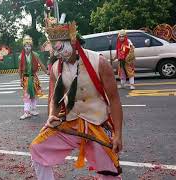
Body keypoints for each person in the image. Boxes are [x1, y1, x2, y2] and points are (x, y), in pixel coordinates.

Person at [29, 18, 123, 180]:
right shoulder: (56, 67)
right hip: (70, 123)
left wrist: (118, 134)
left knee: (109, 171)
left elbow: (114, 100)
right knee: (37, 148)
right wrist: (52, 114)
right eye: (54, 50)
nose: (57, 54)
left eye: (59, 48)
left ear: (73, 41)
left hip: (96, 124)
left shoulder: (99, 62)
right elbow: (55, 97)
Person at [19, 35, 49, 120]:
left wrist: (46, 72)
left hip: (34, 78)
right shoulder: (20, 57)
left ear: (31, 47)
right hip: (25, 79)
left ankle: (33, 110)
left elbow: (41, 64)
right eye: (25, 46)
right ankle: (26, 112)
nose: (27, 47)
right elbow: (20, 69)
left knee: (33, 94)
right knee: (26, 95)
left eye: (29, 46)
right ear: (24, 47)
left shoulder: (35, 55)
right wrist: (20, 79)